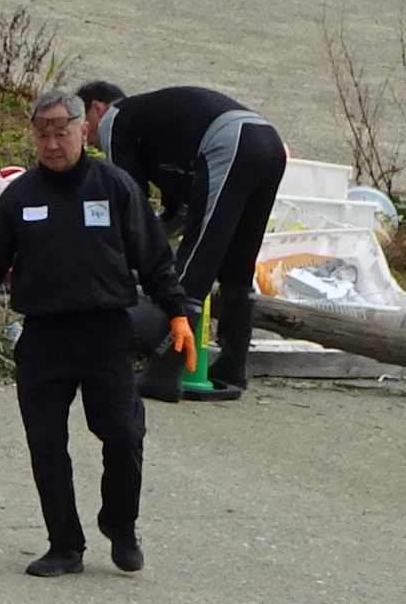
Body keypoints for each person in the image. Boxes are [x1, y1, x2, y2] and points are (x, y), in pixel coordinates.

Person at [0, 88, 193, 578]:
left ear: (82, 131)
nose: (53, 143)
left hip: (105, 332)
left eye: (62, 132)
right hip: (44, 337)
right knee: (46, 442)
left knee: (122, 433)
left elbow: (154, 257)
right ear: (34, 136)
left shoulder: (113, 186)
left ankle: (120, 525)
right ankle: (64, 545)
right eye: (43, 134)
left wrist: (177, 314)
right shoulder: (20, 197)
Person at [77, 77, 287, 400]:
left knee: (193, 273)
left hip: (230, 143)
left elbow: (127, 198)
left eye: (85, 126)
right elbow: (180, 210)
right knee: (237, 264)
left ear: (98, 108)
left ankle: (163, 373)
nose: (89, 140)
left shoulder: (114, 120)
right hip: (269, 143)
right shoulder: (160, 130)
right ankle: (232, 369)